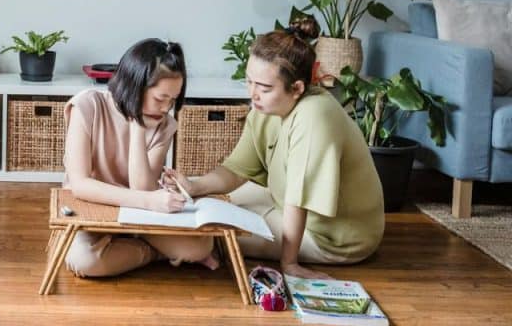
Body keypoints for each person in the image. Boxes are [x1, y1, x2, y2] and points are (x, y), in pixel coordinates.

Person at [163, 18, 385, 279]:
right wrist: (194, 186)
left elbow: (298, 198)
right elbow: (236, 170)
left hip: (332, 235)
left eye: (265, 87)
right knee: (201, 203)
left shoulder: (314, 115)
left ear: (297, 89)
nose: (253, 93)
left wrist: (289, 264)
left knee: (212, 231)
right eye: (249, 82)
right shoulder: (266, 106)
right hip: (283, 201)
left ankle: (163, 248)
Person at [62, 39, 218, 278]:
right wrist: (149, 202)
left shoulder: (165, 125)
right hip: (95, 209)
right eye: (160, 98)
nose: (166, 108)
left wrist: (137, 129)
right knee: (86, 261)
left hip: (138, 213)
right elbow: (81, 185)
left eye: (172, 100)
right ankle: (155, 254)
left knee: (200, 247)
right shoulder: (86, 106)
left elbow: (142, 187)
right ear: (135, 86)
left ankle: (131, 249)